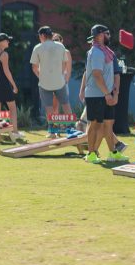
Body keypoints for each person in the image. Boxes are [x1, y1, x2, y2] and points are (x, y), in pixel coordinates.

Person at [82, 24, 128, 163]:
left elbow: (115, 74)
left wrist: (114, 94)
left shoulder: (107, 52)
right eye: (107, 33)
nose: (109, 36)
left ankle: (113, 153)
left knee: (108, 124)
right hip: (96, 95)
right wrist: (107, 94)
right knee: (95, 124)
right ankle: (91, 154)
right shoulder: (96, 52)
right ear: (100, 35)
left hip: (105, 95)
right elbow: (96, 74)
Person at [0, 33, 26, 143]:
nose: (9, 42)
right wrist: (14, 85)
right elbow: (6, 71)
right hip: (3, 84)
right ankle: (15, 132)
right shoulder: (4, 54)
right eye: (7, 40)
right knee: (12, 107)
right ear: (1, 42)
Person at [30, 26, 72, 121]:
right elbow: (65, 63)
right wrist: (60, 74)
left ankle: (53, 132)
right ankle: (71, 130)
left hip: (45, 83)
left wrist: (41, 76)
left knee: (49, 107)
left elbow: (34, 67)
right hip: (59, 81)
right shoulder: (61, 46)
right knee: (66, 104)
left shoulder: (37, 47)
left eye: (39, 36)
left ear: (42, 35)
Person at [51, 33, 72, 114]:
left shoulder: (66, 52)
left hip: (62, 80)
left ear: (61, 41)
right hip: (52, 80)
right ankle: (54, 125)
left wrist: (65, 81)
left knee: (65, 104)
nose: (55, 42)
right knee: (54, 105)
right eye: (53, 40)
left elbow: (69, 69)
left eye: (56, 40)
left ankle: (70, 125)